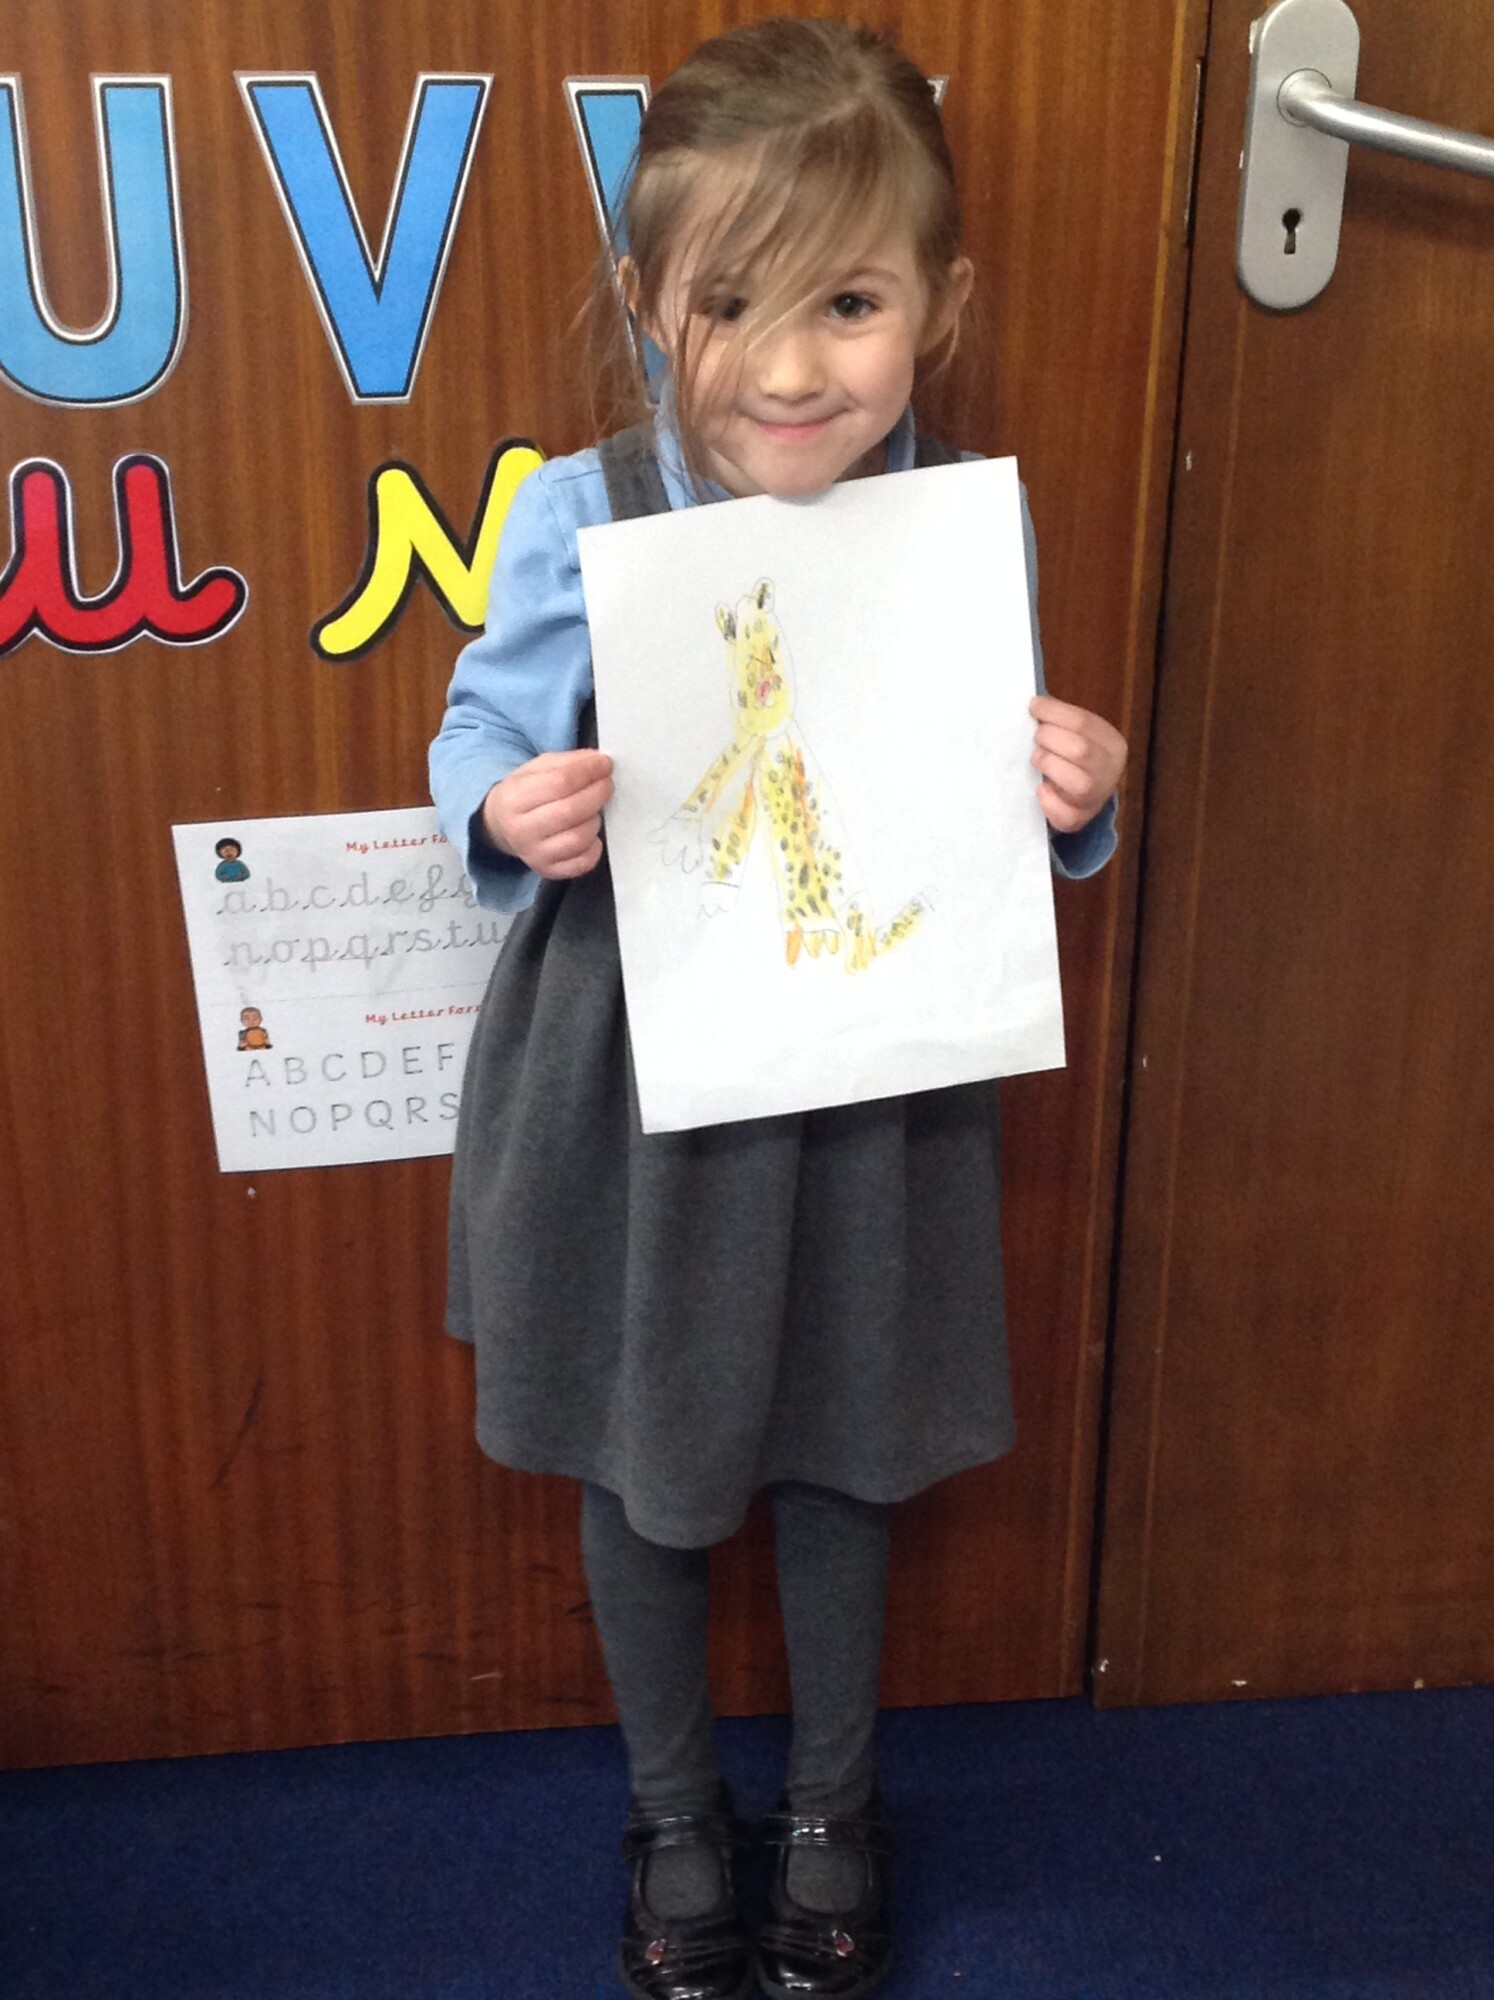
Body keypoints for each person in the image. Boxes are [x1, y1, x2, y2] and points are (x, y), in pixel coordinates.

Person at [429, 20, 1127, 2000]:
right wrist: (506, 802)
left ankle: (831, 1803)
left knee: (847, 1438)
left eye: (850, 303)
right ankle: (671, 1810)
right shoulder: (582, 505)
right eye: (731, 303)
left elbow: (994, 786)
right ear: (645, 299)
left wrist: (1075, 791)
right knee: (640, 1447)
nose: (793, 367)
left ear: (937, 307)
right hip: (633, 1076)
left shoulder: (958, 518)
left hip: (865, 1083)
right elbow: (478, 726)